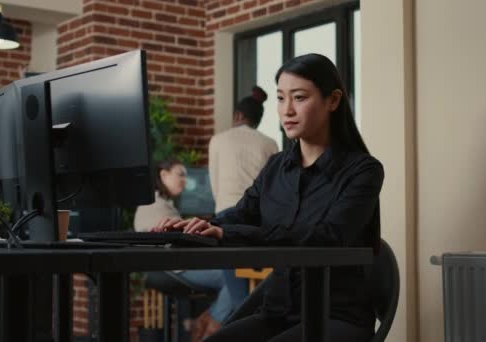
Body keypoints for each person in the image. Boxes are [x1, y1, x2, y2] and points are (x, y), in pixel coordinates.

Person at [153, 53, 384, 342]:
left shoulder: (363, 171)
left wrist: (229, 232)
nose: (287, 110)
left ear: (333, 101)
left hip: (335, 316)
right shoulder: (276, 166)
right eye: (280, 98)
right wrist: (195, 228)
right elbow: (239, 214)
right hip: (278, 312)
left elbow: (327, 236)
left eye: (299, 98)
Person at [135, 160, 248, 342]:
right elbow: (174, 242)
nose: (185, 180)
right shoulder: (155, 206)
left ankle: (206, 322)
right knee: (234, 275)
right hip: (173, 267)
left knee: (232, 276)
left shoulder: (161, 204)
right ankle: (211, 327)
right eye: (180, 174)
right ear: (163, 175)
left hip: (171, 265)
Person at [209, 85, 278, 216]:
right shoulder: (270, 143)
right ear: (258, 120)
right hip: (256, 212)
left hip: (225, 208)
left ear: (238, 115)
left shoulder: (217, 140)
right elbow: (272, 185)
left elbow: (215, 183)